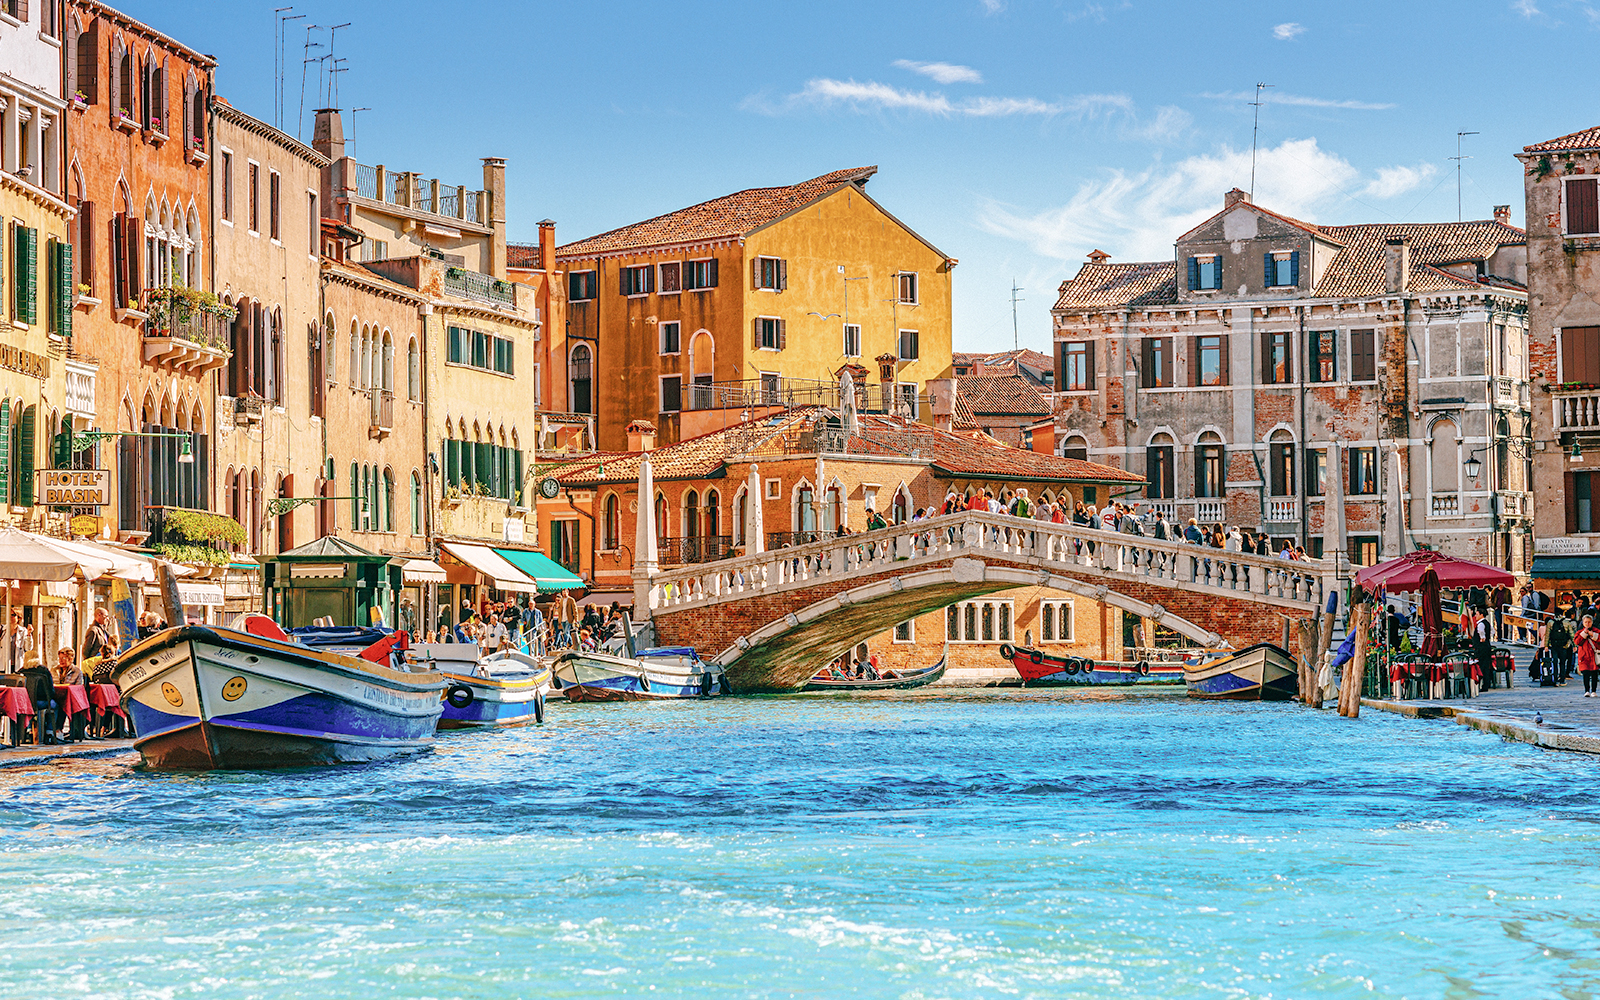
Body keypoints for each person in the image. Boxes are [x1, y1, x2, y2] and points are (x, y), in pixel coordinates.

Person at [1577, 614, 1600, 697]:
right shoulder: (1579, 632)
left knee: (1594, 674)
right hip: (1584, 656)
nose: (1587, 624)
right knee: (1585, 674)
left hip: (1594, 656)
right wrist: (1584, 634)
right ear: (1583, 623)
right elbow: (1577, 642)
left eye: (1589, 622)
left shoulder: (1597, 631)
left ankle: (1594, 691)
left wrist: (1592, 634)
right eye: (1585, 622)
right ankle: (1586, 690)